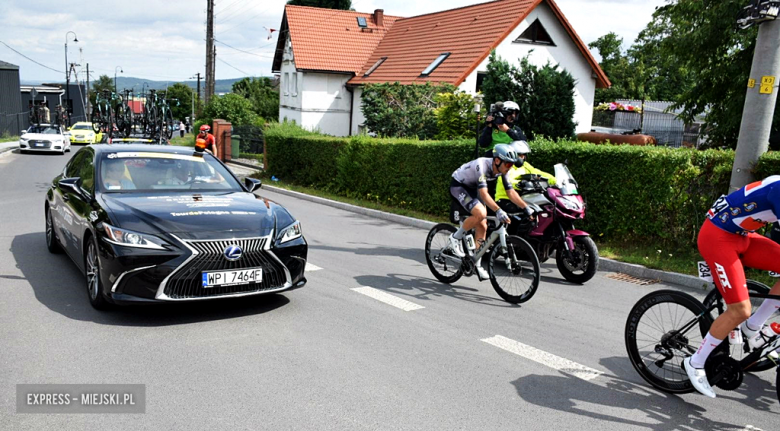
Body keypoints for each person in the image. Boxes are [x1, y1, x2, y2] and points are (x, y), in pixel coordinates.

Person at [685, 176, 780, 398]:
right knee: (740, 310)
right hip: (717, 238)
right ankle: (695, 361)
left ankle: (753, 326)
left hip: (741, 236)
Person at [448, 144, 535, 279]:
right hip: (459, 186)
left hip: (473, 188)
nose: (510, 167)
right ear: (497, 160)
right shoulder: (481, 166)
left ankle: (476, 263)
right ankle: (455, 237)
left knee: (483, 225)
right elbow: (484, 194)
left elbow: (510, 192)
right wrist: (498, 210)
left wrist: (526, 208)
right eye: (507, 164)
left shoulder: (503, 170)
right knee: (481, 213)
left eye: (512, 164)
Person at [495, 140, 557, 209]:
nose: (523, 158)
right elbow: (509, 181)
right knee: (525, 214)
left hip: (522, 197)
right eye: (520, 155)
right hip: (505, 199)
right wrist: (520, 184)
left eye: (523, 155)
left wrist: (553, 179)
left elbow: (537, 172)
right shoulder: (507, 166)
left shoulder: (525, 165)